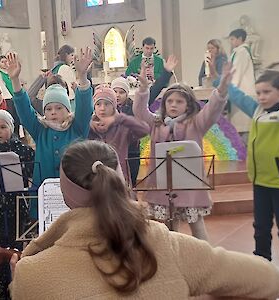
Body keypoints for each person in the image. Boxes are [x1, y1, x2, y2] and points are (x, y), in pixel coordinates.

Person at [9, 140, 279, 299]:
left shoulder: (31, 273)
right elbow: (270, 279)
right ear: (121, 180)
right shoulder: (168, 245)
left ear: (65, 193)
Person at [220, 62, 279, 296]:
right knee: (260, 227)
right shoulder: (258, 110)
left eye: (267, 92)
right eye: (258, 92)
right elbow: (239, 98)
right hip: (260, 181)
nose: (261, 97)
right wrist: (226, 81)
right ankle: (262, 266)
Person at [132, 65, 233, 240]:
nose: (173, 105)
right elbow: (140, 111)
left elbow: (213, 109)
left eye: (179, 102)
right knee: (169, 231)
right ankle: (174, 258)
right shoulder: (156, 123)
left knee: (197, 226)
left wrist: (222, 88)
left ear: (188, 105)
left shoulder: (197, 123)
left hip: (189, 186)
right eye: (170, 101)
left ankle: (205, 258)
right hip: (163, 186)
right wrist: (143, 89)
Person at [7, 49, 94, 200]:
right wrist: (15, 80)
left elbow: (86, 107)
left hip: (75, 190)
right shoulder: (40, 130)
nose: (53, 112)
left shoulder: (77, 126)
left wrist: (83, 76)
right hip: (46, 194)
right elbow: (24, 109)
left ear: (68, 110)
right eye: (48, 109)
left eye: (59, 108)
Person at [0, 110, 35, 300]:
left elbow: (32, 168)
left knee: (17, 246)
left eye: (3, 127)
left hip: (17, 205)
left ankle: (20, 283)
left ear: (11, 128)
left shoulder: (21, 148)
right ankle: (1, 284)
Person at [113, 55, 178, 185]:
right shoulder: (107, 109)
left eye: (121, 92)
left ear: (127, 94)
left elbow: (153, 92)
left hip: (132, 153)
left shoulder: (134, 108)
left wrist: (166, 73)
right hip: (113, 154)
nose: (118, 95)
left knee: (131, 186)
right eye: (115, 91)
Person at [88, 85, 149, 184]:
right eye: (98, 104)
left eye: (107, 104)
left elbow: (144, 130)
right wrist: (89, 124)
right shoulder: (89, 128)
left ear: (114, 106)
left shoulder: (122, 127)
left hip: (120, 180)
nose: (102, 108)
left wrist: (119, 118)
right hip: (96, 181)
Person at [228, 28, 255, 141]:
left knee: (242, 125)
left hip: (241, 91)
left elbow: (236, 72)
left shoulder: (242, 52)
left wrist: (230, 89)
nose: (231, 42)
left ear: (240, 39)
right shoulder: (240, 51)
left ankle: (244, 151)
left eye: (233, 39)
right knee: (240, 123)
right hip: (240, 90)